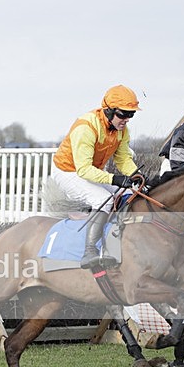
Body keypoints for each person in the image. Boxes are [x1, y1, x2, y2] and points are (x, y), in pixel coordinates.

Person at [49, 84, 143, 269]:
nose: (126, 119)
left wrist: (136, 175)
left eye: (131, 114)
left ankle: (115, 243)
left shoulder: (122, 130)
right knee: (103, 199)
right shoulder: (86, 127)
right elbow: (83, 170)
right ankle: (89, 251)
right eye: (122, 114)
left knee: (127, 193)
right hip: (68, 171)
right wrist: (114, 179)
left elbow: (123, 158)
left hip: (89, 171)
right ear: (108, 111)